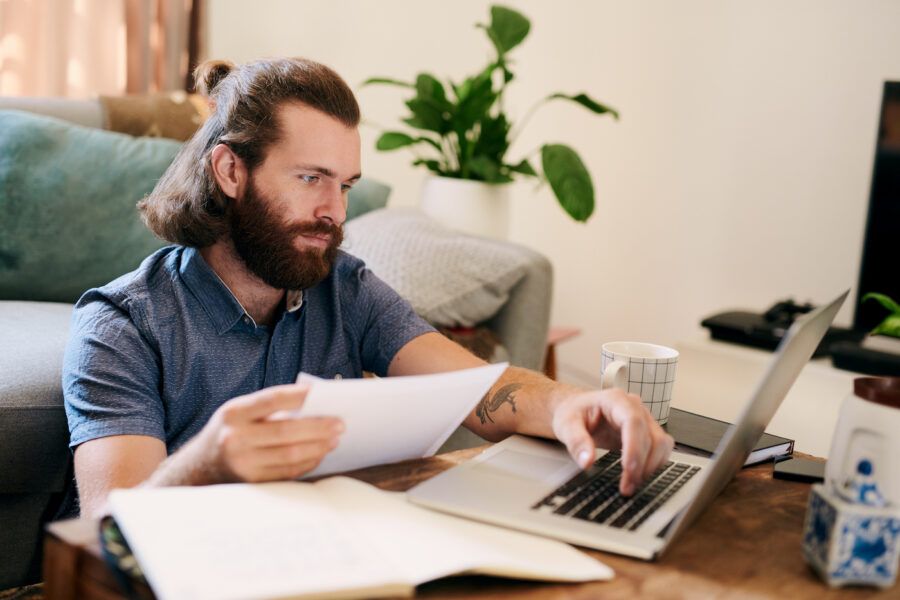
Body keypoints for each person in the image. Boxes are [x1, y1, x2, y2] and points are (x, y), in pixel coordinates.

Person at [62, 57, 673, 518]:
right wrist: (207, 463)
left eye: (346, 185)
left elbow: (477, 391)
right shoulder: (122, 324)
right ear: (230, 171)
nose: (333, 211)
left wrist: (574, 406)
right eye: (310, 178)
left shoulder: (345, 289)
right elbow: (107, 526)